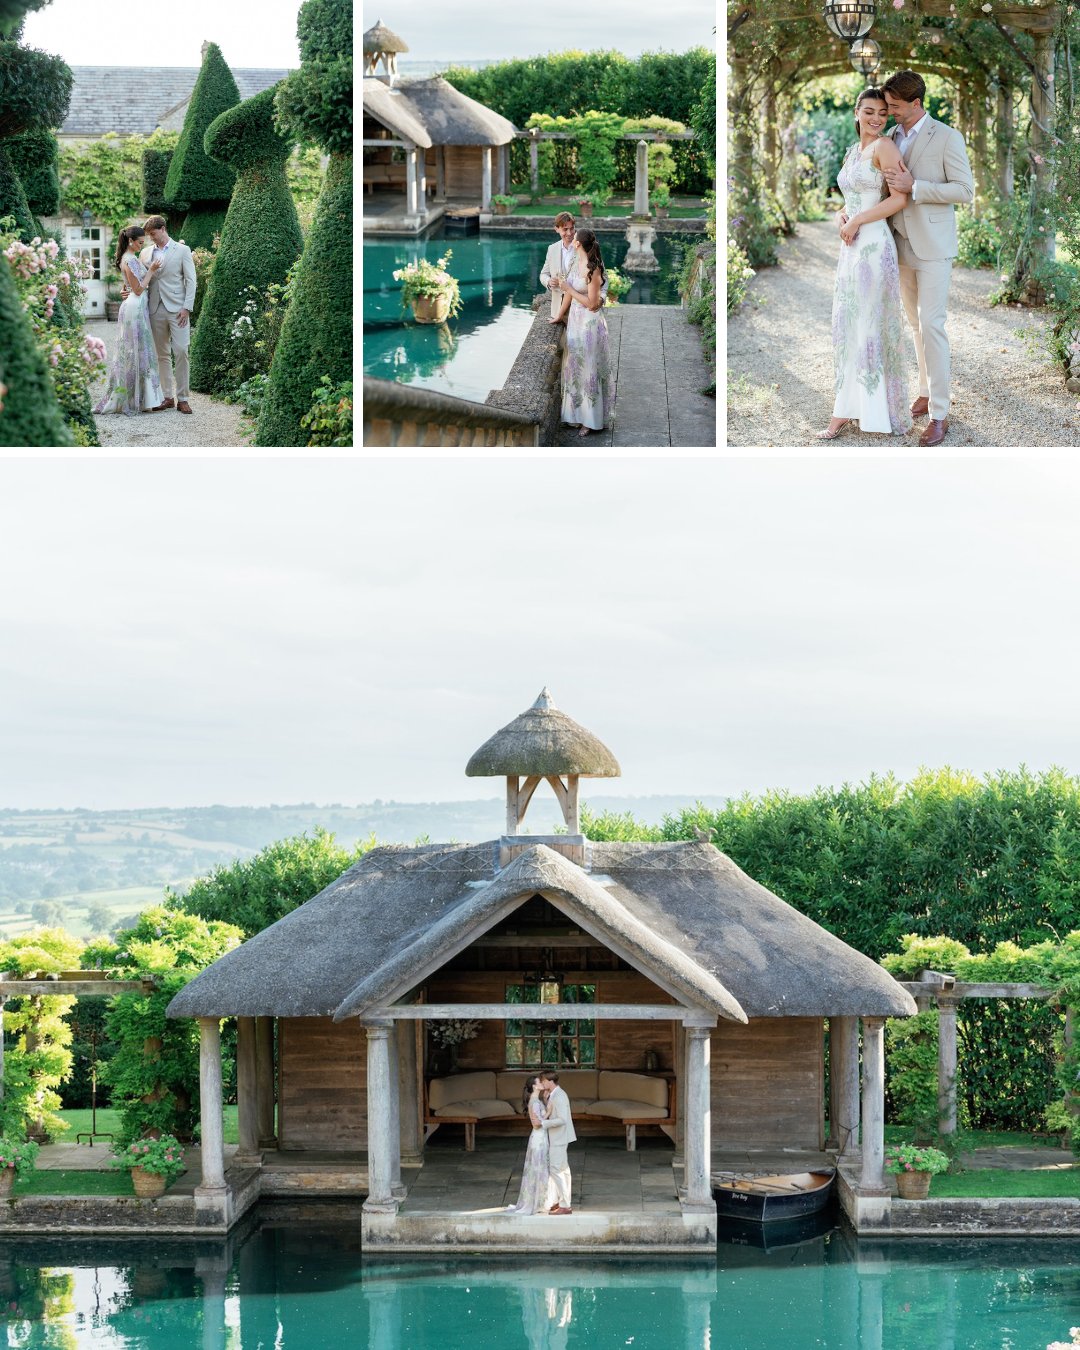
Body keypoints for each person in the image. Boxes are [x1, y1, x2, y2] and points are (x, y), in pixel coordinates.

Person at [848, 70, 974, 447]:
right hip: (896, 245)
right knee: (915, 327)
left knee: (932, 325)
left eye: (896, 107)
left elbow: (964, 190)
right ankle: (923, 391)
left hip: (933, 246)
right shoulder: (888, 139)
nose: (889, 112)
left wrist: (916, 187)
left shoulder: (948, 137)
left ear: (916, 103)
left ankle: (940, 413)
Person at [818, 88, 912, 441]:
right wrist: (842, 216)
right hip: (851, 247)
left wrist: (857, 222)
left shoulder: (885, 147)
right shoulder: (851, 151)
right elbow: (852, 198)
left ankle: (873, 410)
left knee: (870, 322)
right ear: (856, 112)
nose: (876, 118)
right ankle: (847, 408)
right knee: (849, 323)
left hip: (872, 245)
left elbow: (899, 199)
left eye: (883, 113)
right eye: (869, 111)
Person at [94, 224, 165, 417]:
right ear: (131, 241)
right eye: (140, 242)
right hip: (135, 305)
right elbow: (138, 289)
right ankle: (138, 399)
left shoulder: (129, 258)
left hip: (135, 305)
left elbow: (128, 286)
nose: (142, 245)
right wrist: (151, 270)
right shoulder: (130, 259)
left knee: (138, 352)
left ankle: (141, 398)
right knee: (138, 352)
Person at [550, 229, 613, 439]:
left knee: (590, 371)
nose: (571, 237)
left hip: (590, 325)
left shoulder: (592, 269)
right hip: (575, 323)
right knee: (574, 369)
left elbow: (593, 304)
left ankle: (591, 421)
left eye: (574, 237)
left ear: (577, 244)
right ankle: (576, 415)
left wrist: (569, 288)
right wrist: (559, 316)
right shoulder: (573, 264)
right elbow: (568, 295)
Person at [140, 215, 197, 415]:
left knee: (181, 351)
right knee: (161, 355)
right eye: (149, 236)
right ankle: (167, 397)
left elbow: (191, 280)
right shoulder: (146, 253)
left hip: (178, 309)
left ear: (163, 229)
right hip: (154, 308)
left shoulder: (182, 250)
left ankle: (183, 398)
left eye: (153, 234)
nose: (151, 239)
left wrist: (187, 307)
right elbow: (141, 279)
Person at [540, 212, 606, 321]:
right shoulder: (552, 249)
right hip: (558, 309)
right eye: (565, 229)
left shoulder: (586, 247)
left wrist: (601, 299)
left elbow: (603, 278)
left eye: (572, 228)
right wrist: (548, 281)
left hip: (586, 313)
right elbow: (543, 274)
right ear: (556, 229)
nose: (570, 233)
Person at [505, 1075, 556, 1215]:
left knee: (542, 1168)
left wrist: (545, 1101)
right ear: (534, 1086)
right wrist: (549, 1112)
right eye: (539, 1082)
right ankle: (537, 1202)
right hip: (538, 1139)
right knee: (538, 1168)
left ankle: (541, 1201)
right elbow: (536, 1124)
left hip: (541, 1138)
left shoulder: (537, 1100)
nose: (542, 1083)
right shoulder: (534, 1102)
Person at [538, 1071, 576, 1214]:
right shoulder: (554, 1095)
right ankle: (562, 1201)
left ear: (549, 1081)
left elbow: (562, 1120)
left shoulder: (559, 1096)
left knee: (555, 1169)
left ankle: (565, 1205)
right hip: (558, 1137)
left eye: (543, 1081)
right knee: (563, 1170)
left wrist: (544, 1123)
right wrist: (546, 1101)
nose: (542, 1084)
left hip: (559, 1137)